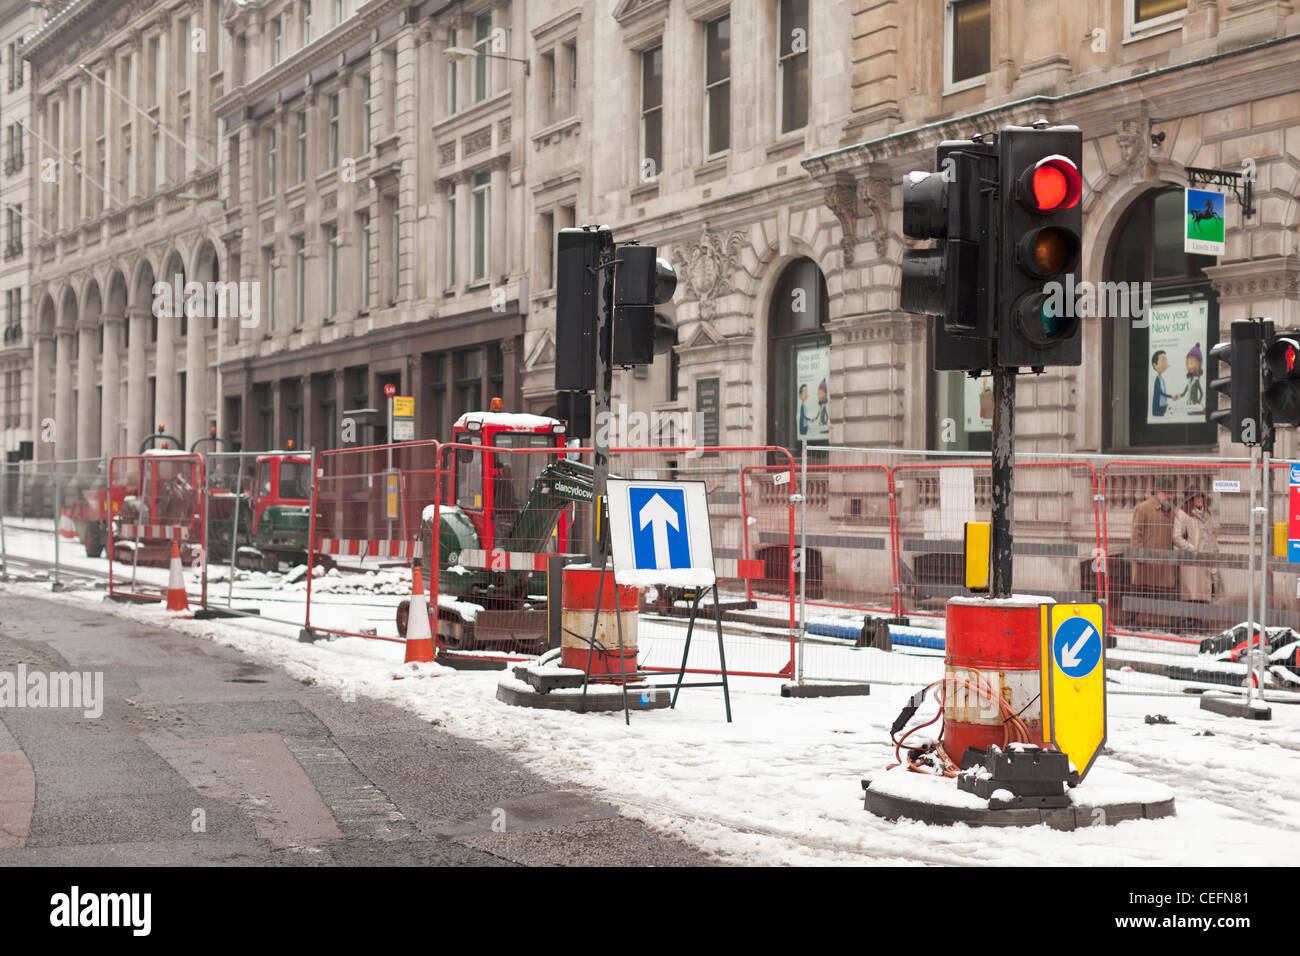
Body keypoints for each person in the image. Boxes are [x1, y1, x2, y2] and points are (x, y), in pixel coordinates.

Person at [1130, 477, 1178, 628]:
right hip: (1146, 561)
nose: (1169, 496)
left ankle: (1171, 624)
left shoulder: (1172, 511)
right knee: (1139, 592)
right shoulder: (1143, 508)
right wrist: (1139, 555)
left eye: (1170, 493)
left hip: (1164, 560)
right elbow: (1136, 533)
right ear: (1158, 492)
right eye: (1166, 493)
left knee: (1167, 593)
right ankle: (1132, 621)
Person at [1173, 491, 1219, 609]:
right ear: (1190, 500)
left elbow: (1211, 536)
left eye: (1201, 497)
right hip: (1192, 561)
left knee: (1207, 594)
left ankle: (1201, 622)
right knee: (1192, 595)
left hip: (1207, 560)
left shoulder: (1207, 515)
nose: (1200, 500)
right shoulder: (1183, 514)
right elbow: (1176, 537)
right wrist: (1192, 548)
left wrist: (1215, 551)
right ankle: (1190, 623)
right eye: (1197, 498)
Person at [1150, 350, 1171, 417]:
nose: (1165, 364)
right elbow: (1160, 392)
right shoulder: (1157, 380)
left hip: (1163, 406)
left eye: (1166, 361)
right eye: (1163, 361)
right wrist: (1170, 396)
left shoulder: (1162, 379)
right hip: (1158, 407)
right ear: (1155, 365)